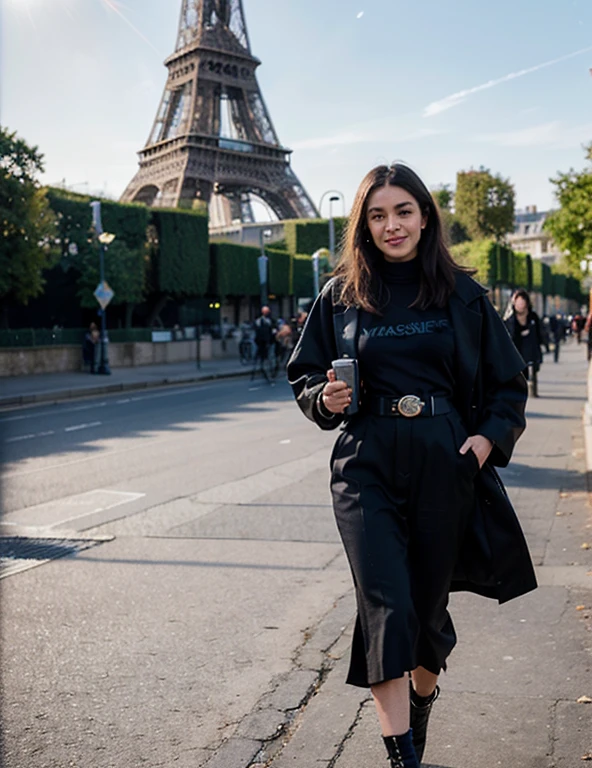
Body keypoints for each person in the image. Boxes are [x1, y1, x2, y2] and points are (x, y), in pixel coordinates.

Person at [287, 163, 536, 768]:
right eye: (377, 215)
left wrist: (483, 443)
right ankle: (402, 756)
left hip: (444, 460)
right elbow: (302, 375)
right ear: (362, 226)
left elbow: (508, 385)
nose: (391, 225)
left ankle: (422, 700)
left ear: (425, 216)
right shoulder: (340, 294)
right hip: (365, 462)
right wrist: (325, 399)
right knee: (386, 605)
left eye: (402, 211)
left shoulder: (464, 295)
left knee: (427, 613)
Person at [503, 289, 543, 397]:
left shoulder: (533, 317)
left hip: (530, 350)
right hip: (516, 351)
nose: (520, 305)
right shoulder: (510, 319)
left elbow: (540, 334)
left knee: (531, 372)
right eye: (518, 302)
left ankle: (532, 390)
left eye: (522, 302)